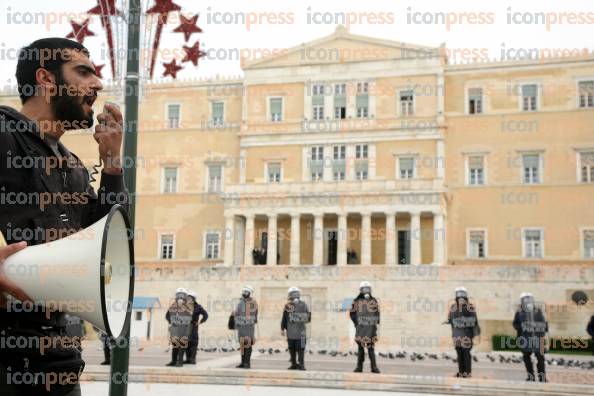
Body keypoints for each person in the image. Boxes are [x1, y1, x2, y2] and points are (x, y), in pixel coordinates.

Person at [0, 37, 127, 396]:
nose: (98, 85)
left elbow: (111, 241)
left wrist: (114, 164)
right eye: (83, 72)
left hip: (55, 362)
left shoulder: (72, 168)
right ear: (46, 79)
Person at [513, 292, 548, 382]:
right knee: (527, 357)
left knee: (540, 358)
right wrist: (521, 329)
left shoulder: (537, 311)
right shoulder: (519, 312)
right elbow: (515, 324)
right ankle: (531, 376)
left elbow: (544, 325)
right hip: (525, 338)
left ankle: (541, 377)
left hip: (537, 338)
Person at [446, 287, 480, 378]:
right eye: (459, 295)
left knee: (466, 353)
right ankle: (461, 372)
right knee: (459, 353)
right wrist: (450, 321)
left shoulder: (470, 307)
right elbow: (451, 318)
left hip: (466, 334)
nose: (460, 298)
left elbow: (474, 320)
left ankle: (467, 372)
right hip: (457, 334)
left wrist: (462, 322)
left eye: (462, 296)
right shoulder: (453, 307)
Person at [350, 281, 381, 373]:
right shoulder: (356, 301)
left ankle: (374, 367)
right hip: (361, 328)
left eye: (368, 289)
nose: (366, 291)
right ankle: (359, 367)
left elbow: (377, 314)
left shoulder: (373, 301)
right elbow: (352, 314)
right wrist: (357, 323)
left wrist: (376, 323)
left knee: (371, 348)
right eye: (364, 289)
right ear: (361, 290)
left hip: (371, 328)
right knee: (360, 348)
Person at [281, 286, 311, 370]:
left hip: (301, 332)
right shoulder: (287, 305)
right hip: (291, 332)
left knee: (301, 348)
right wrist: (282, 328)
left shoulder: (303, 304)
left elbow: (307, 318)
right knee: (292, 349)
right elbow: (284, 318)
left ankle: (301, 365)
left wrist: (295, 317)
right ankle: (294, 364)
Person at [230, 285, 258, 369]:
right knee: (242, 346)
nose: (244, 293)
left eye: (246, 292)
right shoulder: (240, 302)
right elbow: (238, 313)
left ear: (250, 293)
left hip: (248, 327)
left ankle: (247, 363)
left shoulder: (253, 303)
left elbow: (253, 316)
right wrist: (234, 314)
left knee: (248, 345)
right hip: (241, 327)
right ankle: (243, 362)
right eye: (244, 292)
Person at [165, 288, 193, 367]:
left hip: (184, 329)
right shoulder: (173, 306)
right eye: (179, 295)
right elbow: (167, 315)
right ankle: (174, 361)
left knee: (181, 345)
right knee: (175, 346)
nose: (180, 297)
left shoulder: (188, 306)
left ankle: (180, 362)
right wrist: (172, 322)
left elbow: (190, 317)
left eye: (182, 295)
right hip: (175, 329)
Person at [183, 290, 208, 364]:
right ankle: (188, 359)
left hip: (193, 326)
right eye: (187, 297)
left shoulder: (198, 307)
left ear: (194, 299)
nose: (188, 299)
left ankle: (192, 359)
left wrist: (200, 322)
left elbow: (206, 315)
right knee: (186, 342)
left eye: (190, 298)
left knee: (193, 343)